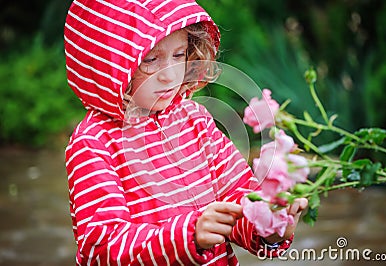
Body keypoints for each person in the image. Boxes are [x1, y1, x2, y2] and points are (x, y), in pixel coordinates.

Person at [64, 0, 308, 265]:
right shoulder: (93, 143)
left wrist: (269, 226)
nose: (169, 75)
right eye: (150, 60)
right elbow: (101, 249)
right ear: (107, 66)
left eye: (179, 56)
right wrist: (189, 235)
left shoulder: (196, 120)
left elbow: (239, 202)